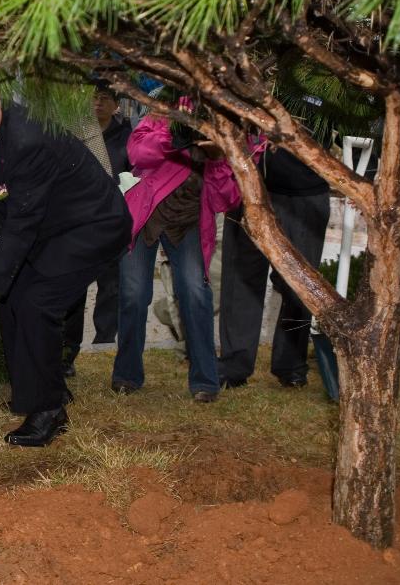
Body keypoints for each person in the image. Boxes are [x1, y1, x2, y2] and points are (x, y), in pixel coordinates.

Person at [0, 76, 131, 447]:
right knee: (13, 304)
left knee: (37, 304)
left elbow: (21, 228)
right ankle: (35, 394)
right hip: (50, 224)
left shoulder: (26, 138)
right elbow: (3, 198)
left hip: (93, 226)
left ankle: (49, 411)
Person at [112, 105, 251, 402]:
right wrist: (173, 132)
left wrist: (216, 157)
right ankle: (126, 375)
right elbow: (137, 154)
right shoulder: (165, 111)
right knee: (133, 295)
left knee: (195, 294)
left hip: (189, 220)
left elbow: (226, 198)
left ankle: (205, 381)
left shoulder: (228, 128)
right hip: (144, 212)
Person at [218, 145, 330, 388]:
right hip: (248, 187)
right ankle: (233, 365)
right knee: (241, 281)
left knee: (301, 286)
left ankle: (291, 367)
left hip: (306, 195)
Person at [61, 85, 133, 376]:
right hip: (78, 219)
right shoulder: (74, 130)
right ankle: (68, 351)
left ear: (116, 105)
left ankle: (104, 339)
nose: (98, 103)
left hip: (113, 219)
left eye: (105, 99)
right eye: (94, 97)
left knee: (111, 285)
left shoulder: (127, 136)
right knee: (74, 288)